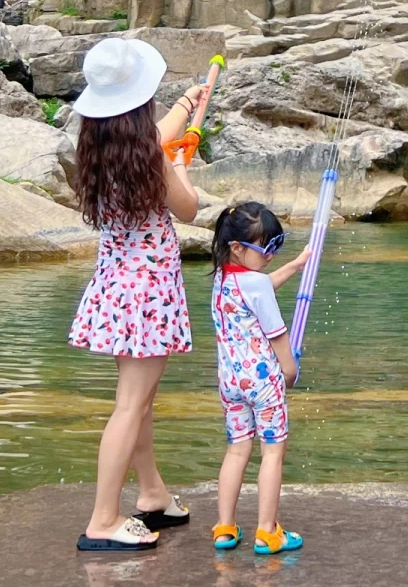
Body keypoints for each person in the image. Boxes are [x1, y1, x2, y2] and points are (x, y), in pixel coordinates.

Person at [68, 38, 204, 552]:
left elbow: (157, 135)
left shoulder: (100, 147)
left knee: (140, 402)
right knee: (130, 407)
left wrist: (188, 106)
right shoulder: (150, 159)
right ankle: (103, 519)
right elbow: (187, 209)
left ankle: (152, 494)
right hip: (148, 297)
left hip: (117, 291)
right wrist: (182, 168)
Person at [210, 203, 312, 555]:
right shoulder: (254, 283)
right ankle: (267, 532)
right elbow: (277, 333)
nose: (271, 256)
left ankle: (225, 528)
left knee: (237, 451)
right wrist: (289, 369)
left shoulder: (224, 277)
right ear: (238, 248)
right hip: (263, 382)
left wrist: (296, 265)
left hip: (230, 382)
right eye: (265, 249)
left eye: (275, 249)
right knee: (273, 453)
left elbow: (261, 287)